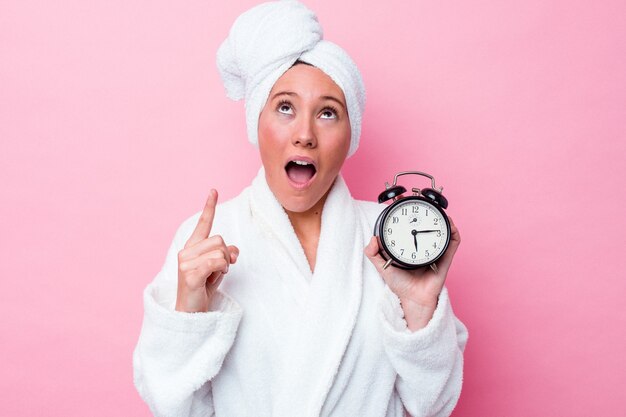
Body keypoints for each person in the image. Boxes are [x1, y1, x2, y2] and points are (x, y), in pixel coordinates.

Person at [133, 1, 468, 416]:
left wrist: (420, 312)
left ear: (351, 135)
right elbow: (172, 404)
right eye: (285, 107)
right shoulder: (206, 241)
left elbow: (431, 405)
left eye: (328, 113)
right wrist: (189, 314)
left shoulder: (391, 242)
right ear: (258, 121)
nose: (305, 135)